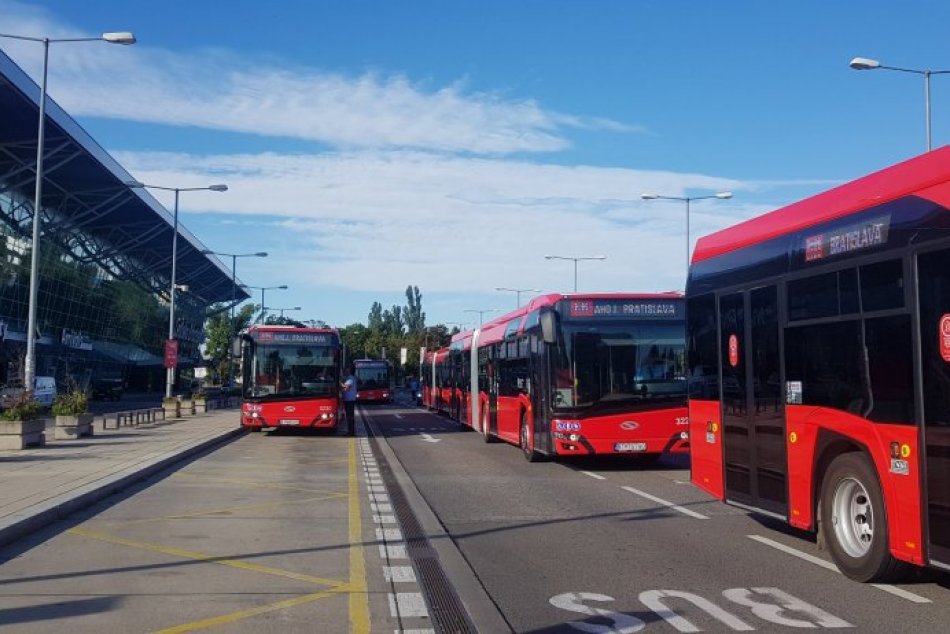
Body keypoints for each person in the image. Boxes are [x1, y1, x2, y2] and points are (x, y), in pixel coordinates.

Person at [341, 364, 358, 436]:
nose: (345, 370)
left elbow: (346, 387)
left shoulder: (350, 378)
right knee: (349, 417)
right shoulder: (349, 378)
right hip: (349, 400)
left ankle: (351, 432)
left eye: (346, 369)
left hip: (349, 401)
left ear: (349, 370)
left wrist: (339, 383)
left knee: (349, 417)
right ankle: (351, 431)